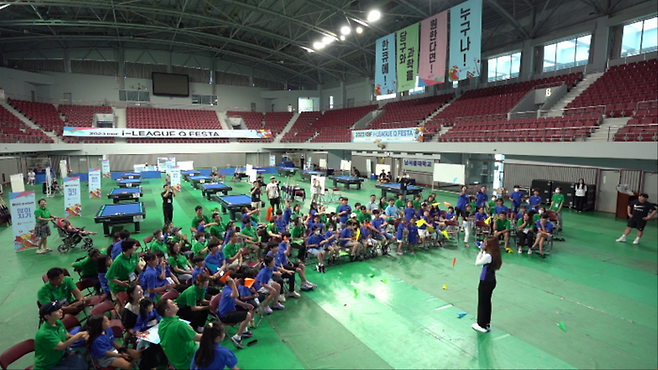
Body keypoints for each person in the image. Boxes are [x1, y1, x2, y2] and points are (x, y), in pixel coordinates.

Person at [34, 301, 89, 370]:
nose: (60, 311)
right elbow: (62, 346)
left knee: (80, 360)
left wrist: (82, 336)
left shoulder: (57, 322)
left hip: (58, 358)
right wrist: (77, 336)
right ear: (47, 316)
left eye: (59, 309)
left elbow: (67, 336)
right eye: (56, 310)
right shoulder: (44, 334)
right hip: (48, 366)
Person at [155, 298, 202, 370]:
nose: (175, 303)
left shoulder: (162, 322)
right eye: (172, 303)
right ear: (167, 310)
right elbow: (199, 337)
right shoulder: (179, 325)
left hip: (174, 360)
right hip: (187, 361)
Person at [472, 237, 502, 333]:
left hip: (485, 281)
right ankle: (486, 323)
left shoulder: (488, 256)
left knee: (482, 303)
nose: (484, 244)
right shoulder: (495, 255)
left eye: (486, 243)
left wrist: (481, 251)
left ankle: (481, 324)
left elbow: (477, 263)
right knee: (487, 302)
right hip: (491, 280)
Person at [217, 274, 254, 349]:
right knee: (248, 315)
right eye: (235, 279)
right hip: (225, 315)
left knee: (245, 309)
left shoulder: (229, 288)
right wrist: (233, 283)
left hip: (230, 310)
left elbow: (234, 300)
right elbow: (236, 295)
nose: (237, 280)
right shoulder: (227, 290)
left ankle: (244, 330)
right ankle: (237, 337)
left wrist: (245, 305)